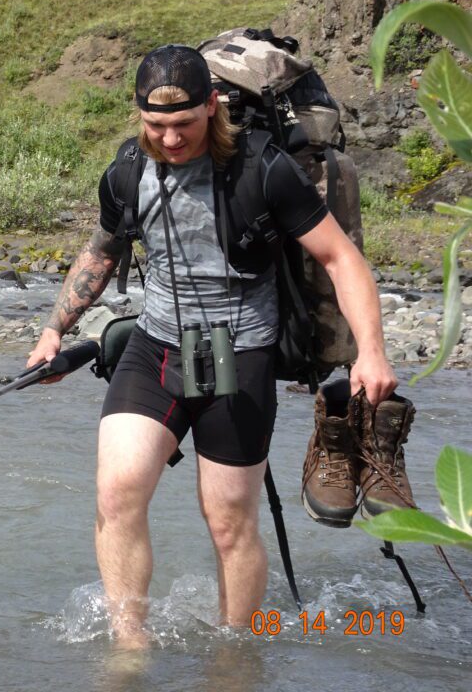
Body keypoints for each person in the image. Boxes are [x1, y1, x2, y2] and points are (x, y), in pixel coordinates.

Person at [27, 45, 397, 648]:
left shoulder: (265, 169)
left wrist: (371, 352)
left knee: (228, 523)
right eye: (155, 126)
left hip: (241, 352)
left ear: (212, 107)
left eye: (183, 124)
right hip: (156, 347)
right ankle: (129, 645)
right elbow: (101, 251)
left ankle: (234, 656)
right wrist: (53, 332)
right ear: (138, 117)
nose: (170, 140)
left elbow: (341, 259)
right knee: (118, 492)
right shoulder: (127, 171)